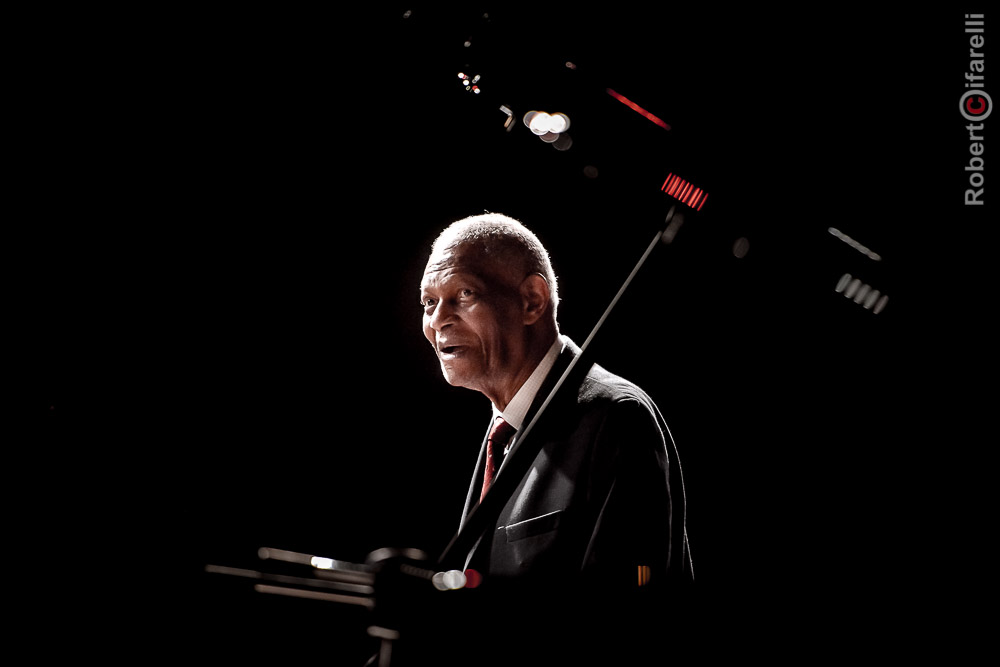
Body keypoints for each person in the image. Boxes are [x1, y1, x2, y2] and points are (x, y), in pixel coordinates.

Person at [413, 212, 693, 663]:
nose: (439, 320)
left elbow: (637, 608)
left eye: (463, 294)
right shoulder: (503, 429)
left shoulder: (615, 418)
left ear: (532, 300)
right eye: (428, 303)